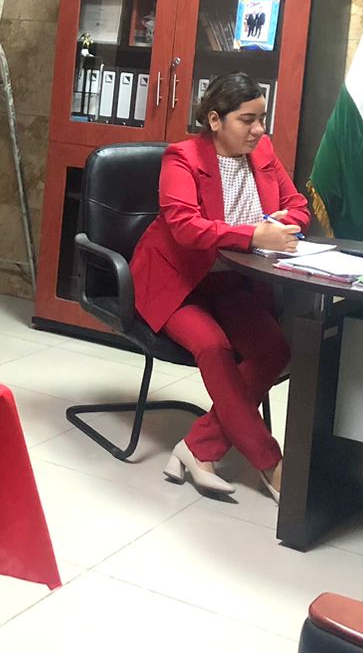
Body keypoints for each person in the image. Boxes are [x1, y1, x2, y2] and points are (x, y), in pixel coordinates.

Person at [130, 72, 307, 499]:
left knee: (274, 349)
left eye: (261, 119)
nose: (259, 130)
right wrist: (252, 235)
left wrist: (279, 224)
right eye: (247, 120)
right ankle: (272, 464)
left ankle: (198, 446)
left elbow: (298, 206)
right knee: (213, 346)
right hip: (178, 282)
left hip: (231, 282)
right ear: (215, 120)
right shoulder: (182, 157)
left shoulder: (262, 152)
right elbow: (185, 226)